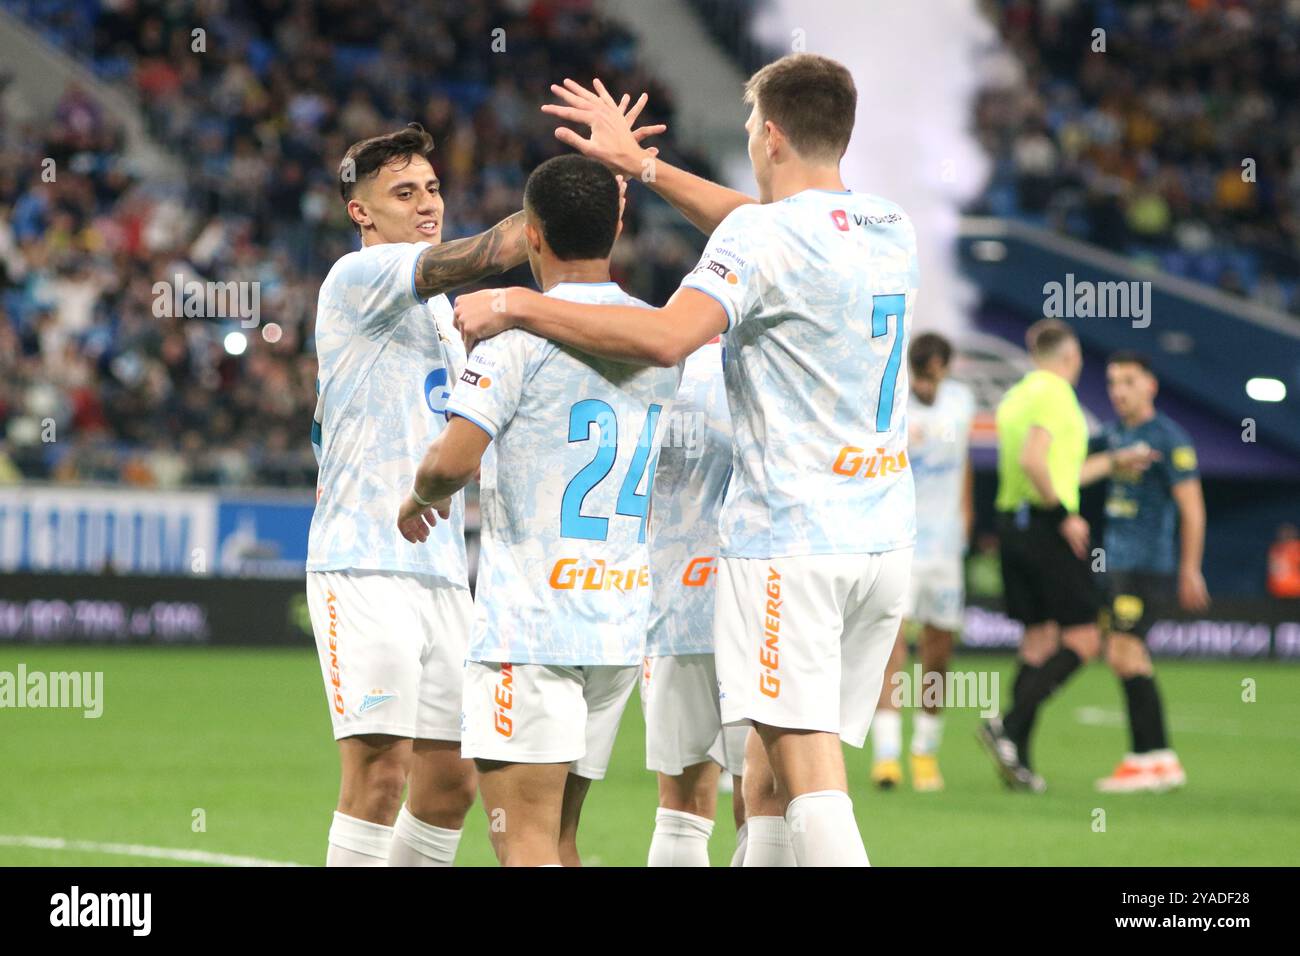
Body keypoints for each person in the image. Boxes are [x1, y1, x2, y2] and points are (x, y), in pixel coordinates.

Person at [455, 53, 918, 866]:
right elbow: (770, 231)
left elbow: (671, 338)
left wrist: (519, 303)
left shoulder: (766, 235)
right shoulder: (887, 226)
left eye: (748, 129)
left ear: (769, 134)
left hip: (791, 545)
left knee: (808, 771)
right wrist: (648, 168)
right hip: (884, 542)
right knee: (769, 780)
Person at [397, 154, 680, 866]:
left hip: (532, 632)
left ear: (531, 236)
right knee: (559, 842)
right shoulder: (656, 340)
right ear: (617, 227)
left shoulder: (514, 340)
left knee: (522, 846)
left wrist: (418, 495)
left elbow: (453, 461)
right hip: (616, 626)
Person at [307, 122, 527, 867]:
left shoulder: (440, 314)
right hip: (363, 563)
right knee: (378, 776)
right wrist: (580, 197)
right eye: (404, 193)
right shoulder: (358, 277)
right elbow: (494, 251)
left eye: (432, 188)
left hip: (439, 570)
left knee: (451, 783)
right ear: (360, 212)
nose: (427, 203)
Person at [977, 320, 1151, 791]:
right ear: (1071, 357)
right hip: (1045, 528)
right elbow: (1038, 462)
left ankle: (1018, 761)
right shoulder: (1056, 394)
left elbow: (1060, 468)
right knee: (1084, 638)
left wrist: (1115, 460)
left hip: (1011, 526)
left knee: (1036, 643)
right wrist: (1063, 517)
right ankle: (1007, 725)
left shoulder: (1016, 397)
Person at [642, 333, 748, 866]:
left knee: (681, 805)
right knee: (766, 801)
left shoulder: (657, 369)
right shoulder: (769, 365)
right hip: (760, 606)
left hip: (673, 604)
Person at [1082, 351, 1205, 792]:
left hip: (1147, 567)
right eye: (1113, 382)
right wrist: (1115, 460)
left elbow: (1193, 508)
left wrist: (1191, 568)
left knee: (1123, 653)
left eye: (1129, 381)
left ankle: (1143, 760)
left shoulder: (1169, 438)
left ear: (1150, 385)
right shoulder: (1112, 435)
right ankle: (1160, 759)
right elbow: (1074, 476)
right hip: (1116, 565)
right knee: (1130, 657)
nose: (1118, 390)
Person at [870, 332, 974, 793]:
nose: (928, 385)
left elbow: (964, 462)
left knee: (938, 657)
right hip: (902, 544)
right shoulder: (893, 403)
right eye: (921, 375)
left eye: (934, 375)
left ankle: (925, 752)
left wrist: (965, 518)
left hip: (946, 550)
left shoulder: (962, 403)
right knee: (891, 650)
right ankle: (887, 757)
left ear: (945, 369)